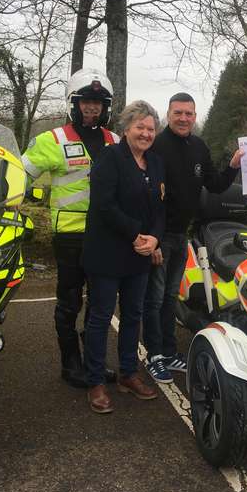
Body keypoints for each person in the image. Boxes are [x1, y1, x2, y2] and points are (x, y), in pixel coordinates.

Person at [21, 68, 119, 389]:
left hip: (105, 237)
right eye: (86, 102)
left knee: (100, 304)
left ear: (106, 108)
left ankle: (92, 360)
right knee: (69, 302)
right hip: (70, 237)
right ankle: (70, 363)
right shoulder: (53, 140)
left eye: (98, 103)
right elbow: (19, 174)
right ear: (73, 104)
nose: (92, 108)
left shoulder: (115, 142)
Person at [142, 92, 243, 383]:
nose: (184, 118)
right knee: (155, 298)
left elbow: (215, 184)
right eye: (178, 113)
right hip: (158, 238)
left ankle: (169, 352)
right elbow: (147, 197)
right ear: (168, 114)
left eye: (189, 113)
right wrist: (153, 239)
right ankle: (154, 355)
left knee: (171, 297)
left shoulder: (198, 147)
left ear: (195, 116)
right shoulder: (156, 146)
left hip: (180, 237)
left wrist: (234, 165)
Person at [82, 100, 166, 413]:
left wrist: (154, 238)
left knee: (133, 315)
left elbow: (160, 208)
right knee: (101, 318)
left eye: (150, 128)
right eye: (140, 127)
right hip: (107, 251)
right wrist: (137, 235)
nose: (146, 133)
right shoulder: (109, 157)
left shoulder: (156, 163)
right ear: (126, 129)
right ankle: (95, 381)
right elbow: (104, 206)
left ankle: (128, 374)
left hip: (140, 253)